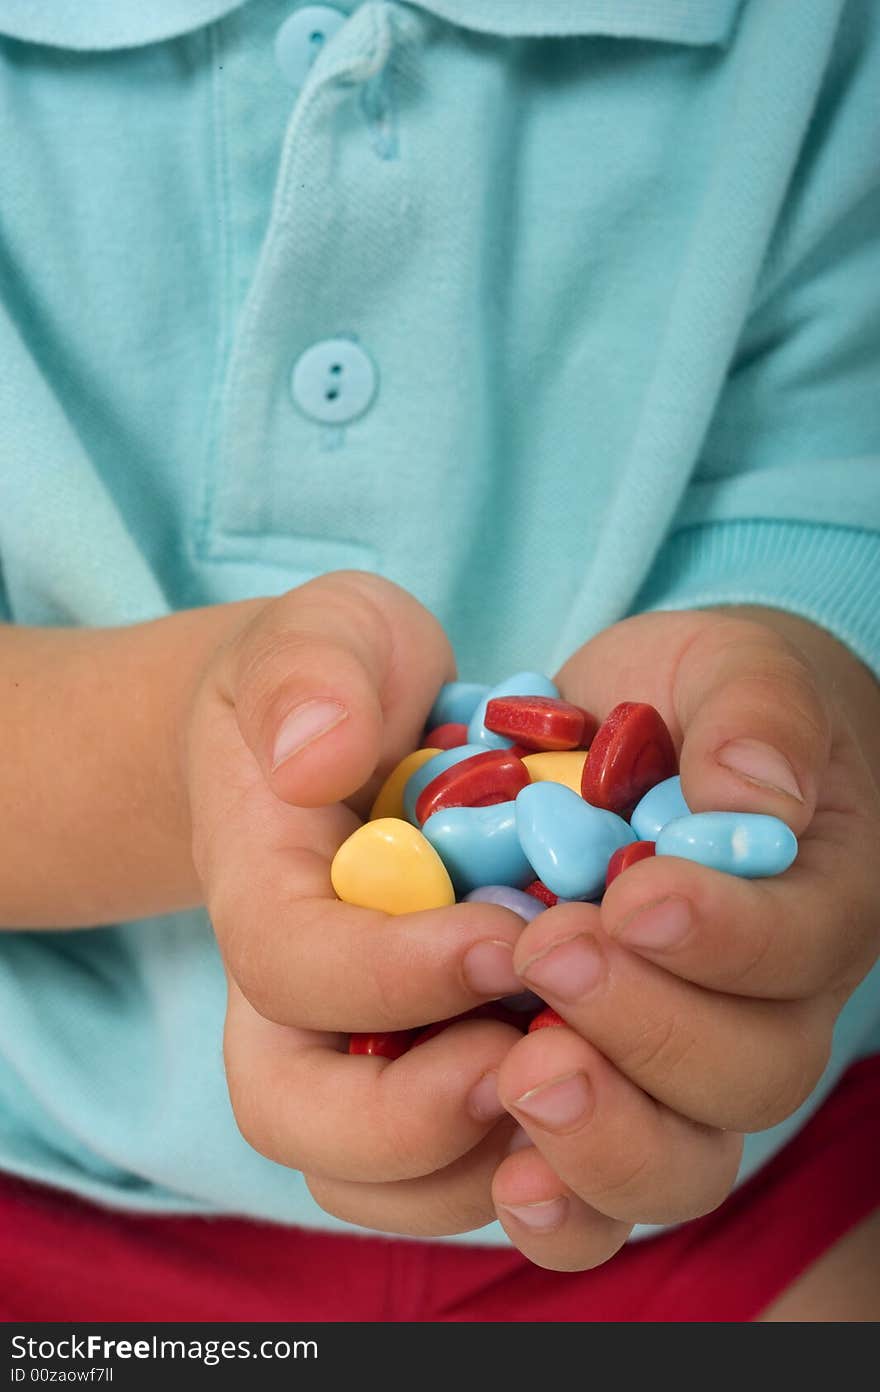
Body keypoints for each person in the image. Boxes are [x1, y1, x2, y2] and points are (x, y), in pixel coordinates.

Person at [0, 0, 878, 1322]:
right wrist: (187, 746)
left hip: (743, 1163)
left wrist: (799, 670)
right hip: (50, 1178)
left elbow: (833, 452)